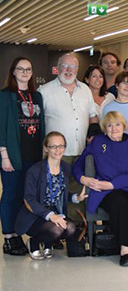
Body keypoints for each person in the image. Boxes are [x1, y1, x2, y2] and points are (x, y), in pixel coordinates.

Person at [74, 111, 128, 267]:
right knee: (119, 203)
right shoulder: (97, 143)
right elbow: (78, 164)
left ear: (124, 126)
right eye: (109, 125)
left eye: (117, 124)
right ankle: (124, 250)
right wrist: (84, 179)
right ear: (104, 128)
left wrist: (112, 184)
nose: (114, 129)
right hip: (105, 191)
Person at [38, 53, 98, 223]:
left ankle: (75, 230)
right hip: (55, 154)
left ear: (78, 69)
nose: (69, 70)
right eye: (65, 66)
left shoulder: (85, 90)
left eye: (73, 67)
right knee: (52, 192)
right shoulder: (44, 91)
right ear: (58, 67)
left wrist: (93, 135)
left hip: (80, 151)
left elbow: (93, 115)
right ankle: (52, 231)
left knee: (78, 192)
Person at [16, 132, 86, 260]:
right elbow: (28, 199)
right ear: (46, 148)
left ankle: (48, 243)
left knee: (70, 228)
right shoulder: (35, 170)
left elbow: (60, 192)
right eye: (53, 146)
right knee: (56, 230)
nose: (58, 150)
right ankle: (34, 242)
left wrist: (76, 198)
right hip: (35, 215)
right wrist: (51, 216)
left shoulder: (65, 167)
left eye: (61, 146)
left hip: (55, 212)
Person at [0, 56, 45, 255]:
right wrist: (4, 155)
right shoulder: (5, 96)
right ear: (13, 72)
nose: (25, 72)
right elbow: (1, 128)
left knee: (26, 197)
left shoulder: (37, 96)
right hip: (13, 156)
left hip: (33, 155)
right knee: (10, 196)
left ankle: (19, 233)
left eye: (28, 69)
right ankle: (9, 237)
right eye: (21, 69)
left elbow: (41, 125)